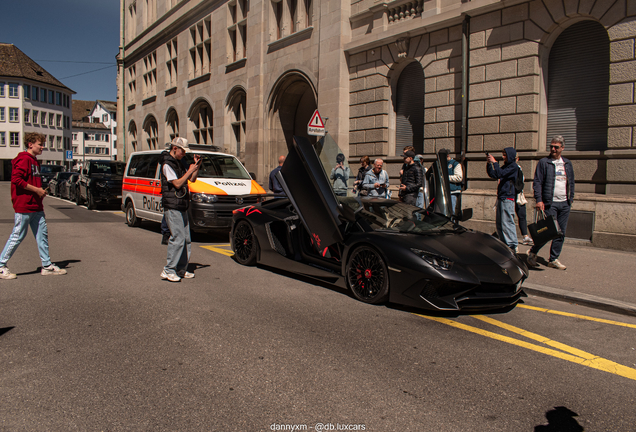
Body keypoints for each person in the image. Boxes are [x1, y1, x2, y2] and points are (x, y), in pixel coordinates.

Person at [0, 132, 67, 279]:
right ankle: (0, 265)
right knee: (17, 235)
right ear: (30, 144)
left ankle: (47, 265)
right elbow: (16, 180)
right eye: (40, 144)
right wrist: (37, 190)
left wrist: (40, 191)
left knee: (42, 235)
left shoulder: (34, 161)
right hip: (24, 204)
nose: (42, 147)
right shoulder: (23, 159)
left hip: (36, 205)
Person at [527, 135, 575, 270]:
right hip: (550, 203)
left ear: (562, 148)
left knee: (561, 232)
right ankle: (532, 252)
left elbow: (571, 182)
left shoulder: (567, 163)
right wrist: (539, 200)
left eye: (556, 147)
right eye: (551, 146)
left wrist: (570, 199)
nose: (553, 149)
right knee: (548, 231)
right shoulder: (544, 162)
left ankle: (553, 259)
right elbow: (537, 182)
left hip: (565, 203)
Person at [160, 137, 201, 282]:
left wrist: (196, 166)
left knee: (186, 239)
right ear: (175, 148)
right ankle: (169, 269)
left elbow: (192, 179)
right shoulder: (167, 163)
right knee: (177, 238)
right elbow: (177, 183)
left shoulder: (179, 162)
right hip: (172, 205)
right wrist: (189, 171)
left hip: (182, 203)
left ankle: (181, 269)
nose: (184, 154)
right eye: (183, 151)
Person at [486, 147, 520, 252]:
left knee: (507, 222)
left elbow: (501, 174)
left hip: (508, 197)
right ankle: (504, 243)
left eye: (505, 155)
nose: (503, 157)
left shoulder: (514, 167)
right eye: (503, 154)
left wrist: (495, 162)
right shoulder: (505, 166)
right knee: (500, 223)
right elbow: (494, 174)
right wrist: (489, 164)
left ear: (510, 156)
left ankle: (512, 245)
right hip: (501, 197)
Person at [515, 156, 533, 246]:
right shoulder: (508, 168)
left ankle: (525, 236)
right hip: (512, 196)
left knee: (522, 215)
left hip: (519, 196)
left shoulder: (519, 168)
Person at [442, 149, 463, 215]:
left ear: (447, 155)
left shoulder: (455, 164)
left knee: (451, 211)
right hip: (443, 192)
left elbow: (459, 177)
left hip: (452, 192)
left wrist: (446, 177)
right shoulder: (442, 164)